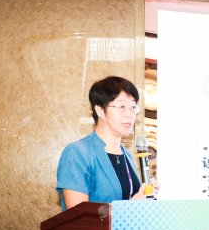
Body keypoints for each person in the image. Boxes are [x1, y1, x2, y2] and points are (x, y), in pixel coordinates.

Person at [56, 76, 158, 209]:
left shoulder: (126, 154)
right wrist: (133, 205)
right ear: (100, 110)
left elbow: (130, 199)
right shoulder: (77, 153)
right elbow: (79, 214)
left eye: (133, 107)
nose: (129, 114)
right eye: (122, 107)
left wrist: (145, 195)